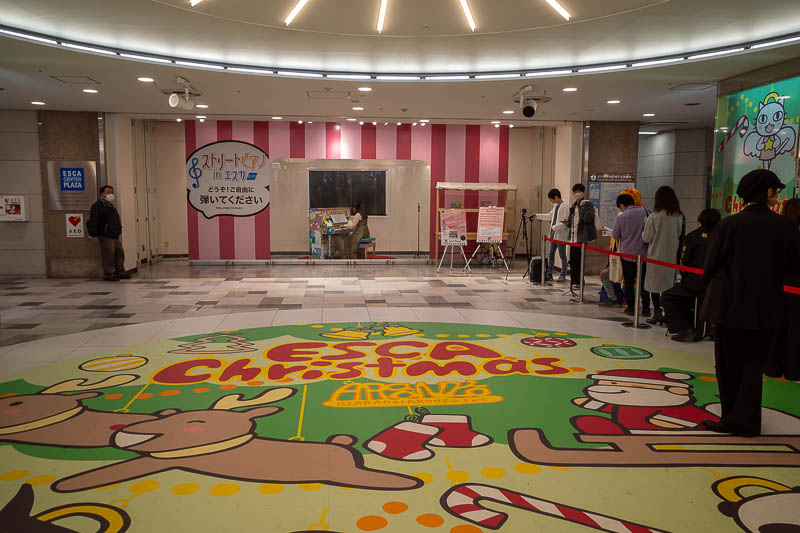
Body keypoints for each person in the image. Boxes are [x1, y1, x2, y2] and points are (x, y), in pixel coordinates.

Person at [700, 169, 800, 437]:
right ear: (768, 193)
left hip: (728, 307)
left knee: (728, 365)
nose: (777, 195)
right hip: (767, 308)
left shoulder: (729, 225)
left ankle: (731, 418)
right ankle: (748, 421)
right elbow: (793, 266)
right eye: (776, 190)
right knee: (754, 366)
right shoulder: (786, 227)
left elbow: (709, 267)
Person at [662, 208, 721, 342]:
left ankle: (685, 328)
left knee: (668, 296)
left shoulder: (692, 236)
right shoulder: (721, 237)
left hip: (694, 282)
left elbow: (684, 261)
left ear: (700, 220)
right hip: (716, 284)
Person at [765, 198, 800, 380]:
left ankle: (772, 367)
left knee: (777, 326)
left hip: (777, 283)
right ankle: (794, 370)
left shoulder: (777, 230)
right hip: (797, 285)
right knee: (796, 329)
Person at [642, 186, 684, 326]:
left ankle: (657, 313)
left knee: (654, 286)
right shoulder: (679, 216)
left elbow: (646, 238)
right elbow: (680, 235)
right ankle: (668, 313)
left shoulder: (654, 217)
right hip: (671, 258)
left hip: (655, 257)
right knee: (668, 286)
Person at [612, 193, 650, 317]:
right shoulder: (645, 212)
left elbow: (615, 235)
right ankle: (646, 308)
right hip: (643, 253)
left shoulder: (622, 217)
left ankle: (631, 307)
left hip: (627, 254)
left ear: (622, 205)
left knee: (629, 281)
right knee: (643, 282)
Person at [87, 185, 130, 282]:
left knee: (119, 253)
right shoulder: (97, 206)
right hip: (105, 235)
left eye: (112, 192)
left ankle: (120, 270)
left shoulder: (111, 206)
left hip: (114, 235)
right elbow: (94, 220)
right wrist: (93, 234)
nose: (111, 194)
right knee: (108, 254)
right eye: (108, 192)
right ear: (102, 194)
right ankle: (108, 273)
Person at [564, 183, 596, 289]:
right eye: (575, 192)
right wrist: (567, 222)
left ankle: (579, 281)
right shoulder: (573, 205)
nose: (577, 193)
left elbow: (588, 219)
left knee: (579, 260)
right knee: (573, 261)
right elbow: (571, 221)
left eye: (579, 191)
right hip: (573, 237)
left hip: (581, 237)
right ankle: (574, 281)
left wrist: (582, 207)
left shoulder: (587, 204)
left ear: (583, 192)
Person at [534, 188, 570, 282]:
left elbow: (566, 223)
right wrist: (537, 216)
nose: (551, 201)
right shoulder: (555, 206)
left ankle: (563, 274)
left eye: (551, 199)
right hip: (553, 236)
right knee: (550, 254)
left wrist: (555, 227)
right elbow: (549, 216)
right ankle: (549, 272)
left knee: (562, 255)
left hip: (560, 236)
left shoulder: (565, 207)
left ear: (556, 197)